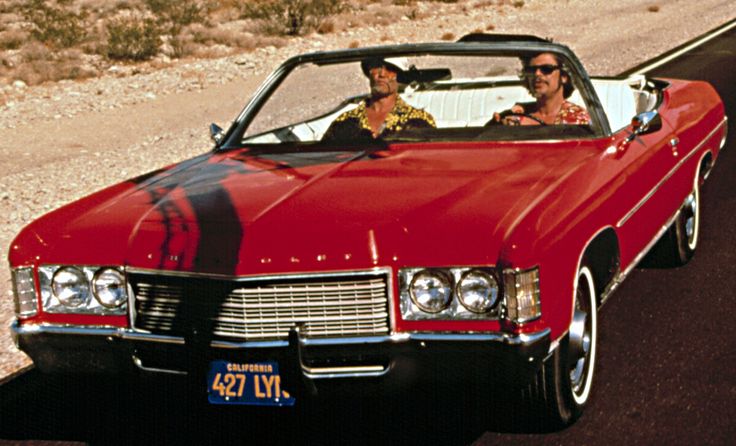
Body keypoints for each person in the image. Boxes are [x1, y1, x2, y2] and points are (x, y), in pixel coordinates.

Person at [322, 57, 436, 141]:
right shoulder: (344, 121)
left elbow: (428, 162)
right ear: (369, 73)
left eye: (390, 69)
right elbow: (324, 159)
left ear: (401, 77)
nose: (381, 74)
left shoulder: (419, 120)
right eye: (376, 67)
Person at [491, 52, 590, 126]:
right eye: (531, 70)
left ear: (564, 76)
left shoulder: (579, 119)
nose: (537, 74)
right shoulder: (516, 115)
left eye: (547, 69)